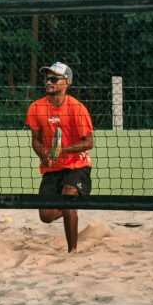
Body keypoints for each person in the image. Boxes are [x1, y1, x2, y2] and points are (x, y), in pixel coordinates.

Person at [25, 61, 94, 253]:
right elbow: (36, 141)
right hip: (52, 167)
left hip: (77, 164)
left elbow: (89, 142)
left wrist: (62, 151)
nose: (48, 81)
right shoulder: (36, 108)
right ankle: (70, 208)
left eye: (54, 78)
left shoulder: (77, 108)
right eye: (47, 78)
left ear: (67, 82)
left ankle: (72, 251)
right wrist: (44, 155)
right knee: (45, 215)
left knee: (68, 197)